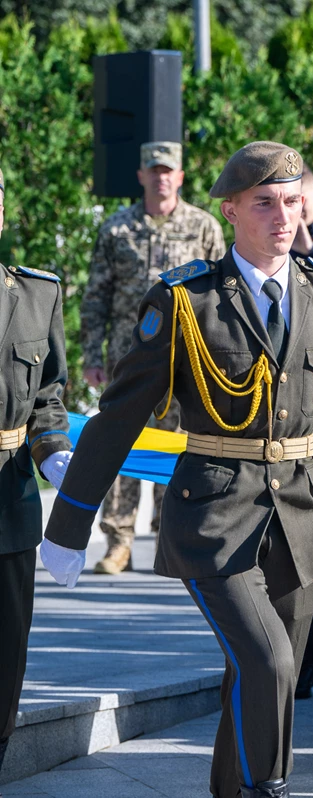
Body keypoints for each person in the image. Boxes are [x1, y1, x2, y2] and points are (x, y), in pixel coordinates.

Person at [41, 141, 313, 798]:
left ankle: (231, 790)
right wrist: (70, 522)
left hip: (300, 515)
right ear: (231, 209)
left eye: (293, 202)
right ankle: (270, 790)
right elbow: (120, 414)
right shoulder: (189, 300)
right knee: (267, 661)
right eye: (266, 203)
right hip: (215, 515)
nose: (283, 217)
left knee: (270, 675)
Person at [81, 141, 225, 574]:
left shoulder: (203, 226)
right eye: (153, 170)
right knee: (121, 447)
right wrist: (91, 355)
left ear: (180, 177)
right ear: (142, 176)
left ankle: (171, 538)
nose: (161, 177)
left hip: (188, 362)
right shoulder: (116, 229)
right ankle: (119, 540)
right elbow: (95, 298)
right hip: (129, 361)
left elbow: (223, 297)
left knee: (181, 446)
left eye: (169, 171)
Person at [0, 164, 74, 780]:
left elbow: (47, 393)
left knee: (5, 652)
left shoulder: (37, 294)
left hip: (9, 498)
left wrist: (54, 453)